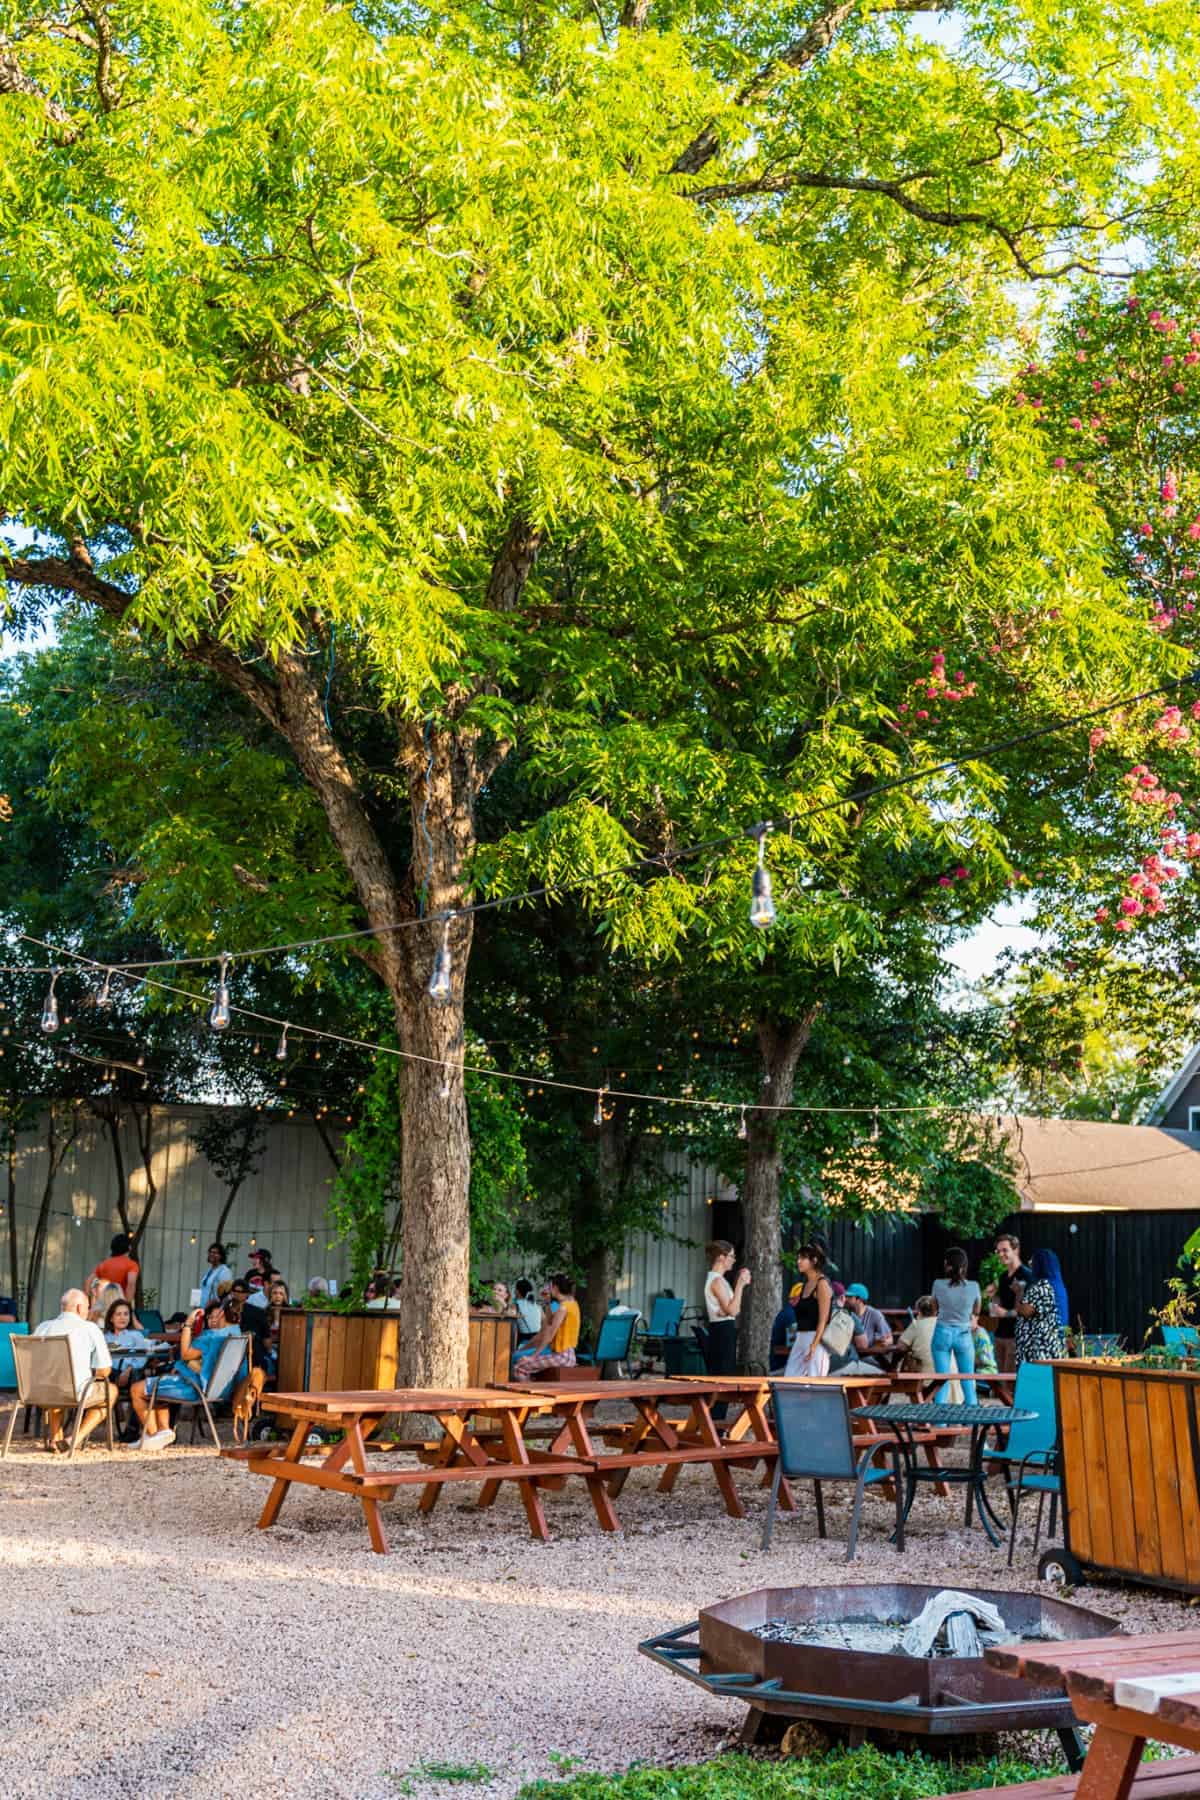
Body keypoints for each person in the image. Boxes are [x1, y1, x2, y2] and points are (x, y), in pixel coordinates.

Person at [130, 1297, 242, 1448]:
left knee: (136, 1389)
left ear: (221, 1313)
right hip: (220, 1389)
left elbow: (185, 1354)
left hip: (195, 1388)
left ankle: (153, 1435)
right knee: (160, 1384)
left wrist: (188, 1324)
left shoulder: (213, 1337)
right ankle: (161, 1432)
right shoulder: (237, 1333)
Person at [33, 1288, 116, 1453]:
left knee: (55, 1383)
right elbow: (104, 1371)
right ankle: (75, 1438)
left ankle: (55, 1440)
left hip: (39, 1392)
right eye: (87, 1307)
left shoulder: (43, 1327)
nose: (88, 1311)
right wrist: (87, 1373)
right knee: (111, 1390)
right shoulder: (90, 1328)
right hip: (73, 1392)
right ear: (79, 1308)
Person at [931, 1247, 980, 1407]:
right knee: (968, 1379)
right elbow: (977, 1309)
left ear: (946, 1264)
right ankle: (972, 1423)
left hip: (942, 1331)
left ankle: (941, 1425)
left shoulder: (937, 1284)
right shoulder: (974, 1286)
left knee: (942, 1380)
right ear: (965, 1266)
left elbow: (933, 1308)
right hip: (964, 1332)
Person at [511, 1274, 580, 1376]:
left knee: (518, 1367)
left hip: (562, 1356)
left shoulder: (563, 1308)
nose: (547, 1288)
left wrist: (533, 1357)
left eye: (549, 1286)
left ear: (555, 1288)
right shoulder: (572, 1304)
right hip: (567, 1354)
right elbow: (549, 1322)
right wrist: (547, 1302)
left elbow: (549, 1334)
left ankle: (530, 1391)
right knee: (523, 1365)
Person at [702, 1240, 751, 1379]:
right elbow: (734, 1311)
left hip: (723, 1328)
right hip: (722, 1331)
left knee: (724, 1373)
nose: (734, 1260)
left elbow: (730, 1309)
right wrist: (740, 1284)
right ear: (721, 1258)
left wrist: (725, 1311)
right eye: (731, 1256)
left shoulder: (719, 1280)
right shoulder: (717, 1281)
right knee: (723, 1376)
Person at [784, 1243, 833, 1376]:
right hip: (800, 1337)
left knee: (815, 1383)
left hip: (816, 1339)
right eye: (798, 1257)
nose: (798, 1261)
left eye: (803, 1258)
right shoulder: (805, 1285)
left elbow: (823, 1319)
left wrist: (814, 1345)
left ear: (814, 1260)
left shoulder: (822, 1283)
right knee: (790, 1379)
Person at [987, 1233, 1033, 1373]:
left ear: (1016, 1250)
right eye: (998, 1251)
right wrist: (993, 1297)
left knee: (1010, 1385)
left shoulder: (1027, 1275)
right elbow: (997, 1309)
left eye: (1005, 1250)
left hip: (1016, 1337)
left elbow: (1028, 1310)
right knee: (1000, 1385)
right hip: (1000, 1335)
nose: (1000, 1254)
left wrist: (1006, 1313)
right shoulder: (1002, 1277)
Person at [1015, 1248, 1068, 1365]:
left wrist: (1019, 1292)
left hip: (1040, 1348)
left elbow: (1025, 1311)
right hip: (1055, 1343)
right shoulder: (1058, 1285)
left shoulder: (1042, 1286)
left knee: (1038, 1381)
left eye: (1032, 1262)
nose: (1029, 1264)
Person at [843, 1283, 893, 1368]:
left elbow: (890, 1339)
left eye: (850, 1297)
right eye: (846, 1296)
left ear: (859, 1299)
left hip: (868, 1357)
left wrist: (884, 1342)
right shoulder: (845, 1313)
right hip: (849, 1356)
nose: (846, 1299)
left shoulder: (875, 1314)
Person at [90, 1232, 139, 1305]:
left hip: (104, 1304)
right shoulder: (131, 1265)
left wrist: (91, 1303)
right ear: (129, 1247)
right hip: (120, 1305)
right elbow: (131, 1284)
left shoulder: (103, 1265)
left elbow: (88, 1283)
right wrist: (127, 1305)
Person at [769, 1284, 801, 1373]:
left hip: (780, 1367)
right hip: (781, 1369)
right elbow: (792, 1347)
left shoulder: (788, 1312)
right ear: (798, 1298)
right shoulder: (791, 1316)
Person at [200, 1243, 232, 1307]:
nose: (212, 1254)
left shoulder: (224, 1271)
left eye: (215, 1253)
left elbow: (226, 1294)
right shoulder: (210, 1271)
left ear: (221, 1256)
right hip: (203, 1309)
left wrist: (215, 1302)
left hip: (215, 1310)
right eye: (210, 1252)